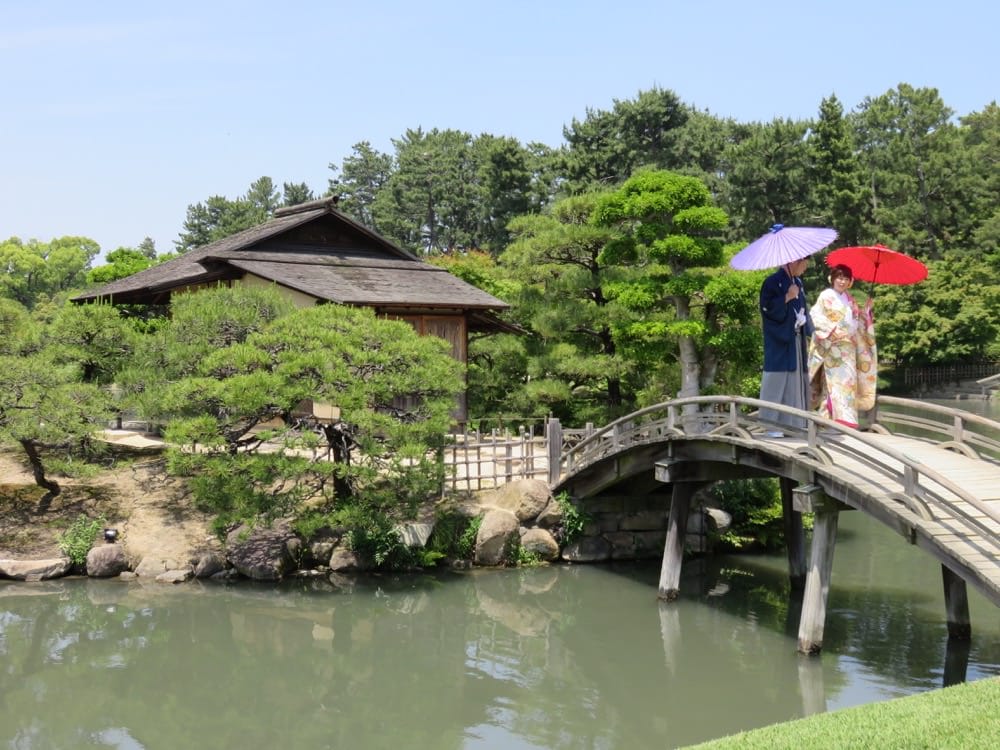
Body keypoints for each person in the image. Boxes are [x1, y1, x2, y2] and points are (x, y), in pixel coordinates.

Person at [807, 264, 877, 428]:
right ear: (832, 278)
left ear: (850, 281)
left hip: (848, 350)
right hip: (832, 347)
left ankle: (844, 422)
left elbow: (857, 323)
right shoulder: (825, 296)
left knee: (847, 385)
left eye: (846, 278)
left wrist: (866, 312)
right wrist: (833, 330)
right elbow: (815, 316)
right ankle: (827, 420)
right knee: (832, 386)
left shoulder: (850, 299)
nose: (842, 281)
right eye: (839, 277)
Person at [758, 256, 813, 436]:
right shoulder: (772, 282)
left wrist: (805, 323)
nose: (805, 267)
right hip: (780, 341)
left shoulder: (797, 282)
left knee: (795, 382)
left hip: (795, 340)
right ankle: (772, 426)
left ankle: (794, 425)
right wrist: (787, 297)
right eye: (804, 263)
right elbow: (767, 309)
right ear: (794, 262)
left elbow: (803, 308)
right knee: (777, 381)